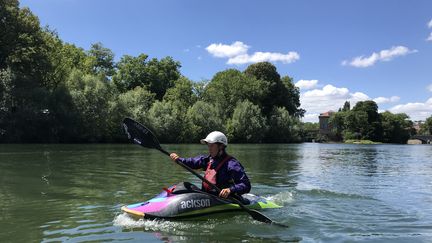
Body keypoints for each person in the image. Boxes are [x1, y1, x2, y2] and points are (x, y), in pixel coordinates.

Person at [170, 131, 251, 199]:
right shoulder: (208, 160)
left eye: (212, 145)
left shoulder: (232, 164)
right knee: (184, 186)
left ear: (221, 146)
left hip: (224, 199)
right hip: (208, 197)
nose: (209, 148)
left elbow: (246, 185)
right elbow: (192, 162)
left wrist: (230, 190)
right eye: (208, 145)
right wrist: (178, 159)